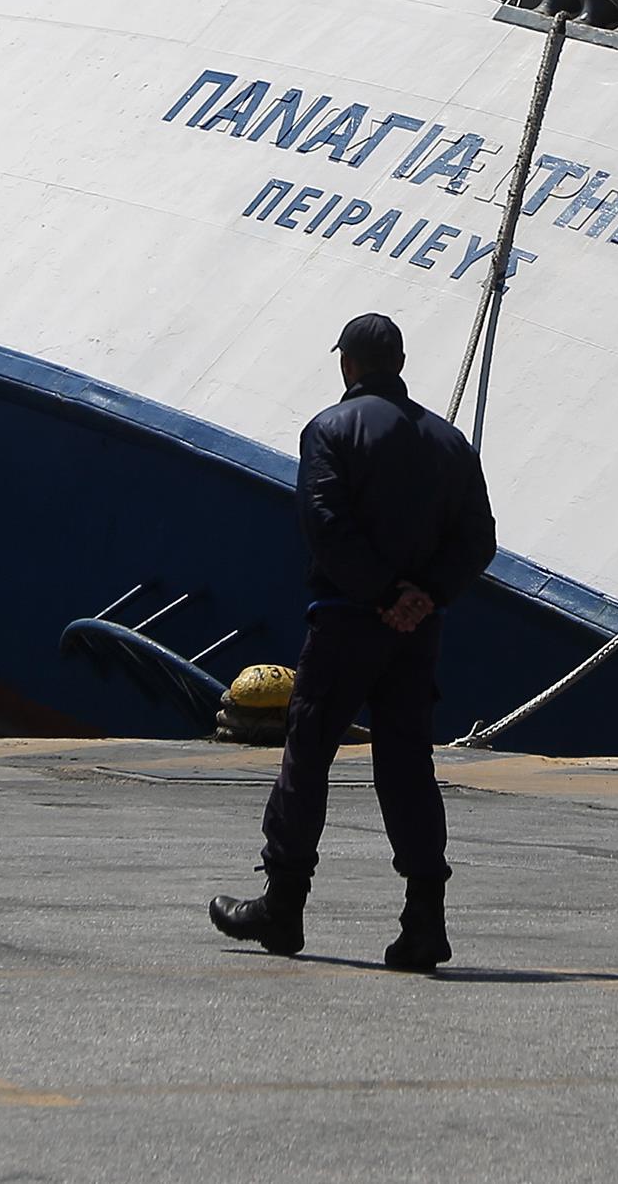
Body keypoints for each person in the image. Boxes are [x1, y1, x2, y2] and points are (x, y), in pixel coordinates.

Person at [209, 312, 496, 973]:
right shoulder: (450, 443)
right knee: (407, 766)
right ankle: (424, 922)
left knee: (308, 754)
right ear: (400, 363)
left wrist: (381, 593)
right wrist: (423, 595)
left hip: (347, 622)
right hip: (416, 632)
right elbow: (478, 538)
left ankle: (283, 905)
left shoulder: (331, 429)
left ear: (348, 365)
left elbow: (325, 523)